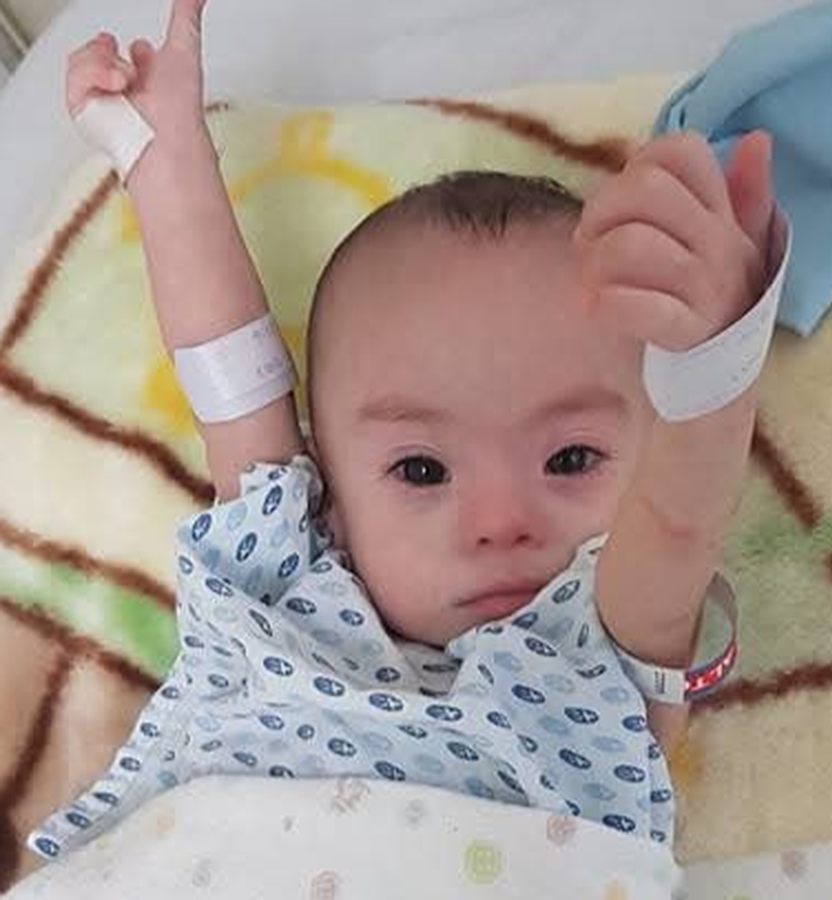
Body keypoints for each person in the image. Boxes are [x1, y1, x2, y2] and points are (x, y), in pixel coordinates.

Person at [32, 0, 779, 860]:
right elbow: (231, 383)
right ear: (333, 497)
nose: (500, 521)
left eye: (571, 458)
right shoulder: (287, 578)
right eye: (423, 470)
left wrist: (715, 361)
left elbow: (682, 516)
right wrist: (160, 160)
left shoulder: (595, 644)